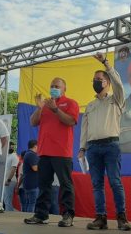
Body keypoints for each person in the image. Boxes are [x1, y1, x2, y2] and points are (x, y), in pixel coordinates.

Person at [78, 52, 131, 231]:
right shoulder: (90, 106)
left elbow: (118, 82)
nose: (96, 82)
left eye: (99, 79)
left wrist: (106, 64)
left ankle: (122, 218)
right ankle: (100, 218)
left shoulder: (116, 99)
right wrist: (82, 148)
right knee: (97, 184)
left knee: (115, 181)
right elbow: (84, 129)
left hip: (111, 146)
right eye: (94, 79)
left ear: (107, 82)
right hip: (93, 148)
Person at [24, 77, 79, 227]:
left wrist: (55, 109)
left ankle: (67, 215)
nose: (54, 88)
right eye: (51, 85)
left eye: (57, 86)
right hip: (44, 152)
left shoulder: (71, 103)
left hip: (62, 152)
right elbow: (33, 122)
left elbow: (70, 121)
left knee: (66, 185)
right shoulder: (45, 105)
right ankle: (41, 215)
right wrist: (40, 107)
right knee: (44, 185)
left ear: (64, 89)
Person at [21, 140, 39, 213]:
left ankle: (27, 216)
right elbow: (35, 168)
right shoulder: (32, 154)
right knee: (32, 203)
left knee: (29, 203)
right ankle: (29, 217)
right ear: (35, 146)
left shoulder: (28, 154)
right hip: (32, 183)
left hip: (28, 182)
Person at [4, 141, 19, 211]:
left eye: (12, 146)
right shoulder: (6, 155)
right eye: (10, 146)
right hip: (5, 180)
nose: (11, 147)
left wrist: (8, 180)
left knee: (7, 200)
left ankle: (9, 215)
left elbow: (13, 169)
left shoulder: (14, 156)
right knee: (6, 199)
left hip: (10, 181)